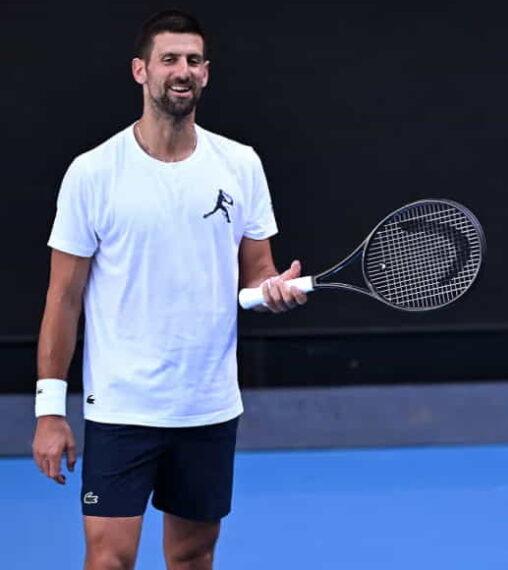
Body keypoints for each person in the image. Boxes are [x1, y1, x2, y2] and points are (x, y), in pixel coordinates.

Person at [31, 10, 307, 569]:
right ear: (141, 71)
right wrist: (49, 411)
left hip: (207, 404)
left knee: (193, 555)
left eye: (193, 60)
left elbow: (257, 271)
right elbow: (63, 298)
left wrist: (271, 288)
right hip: (121, 405)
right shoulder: (93, 172)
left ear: (206, 74)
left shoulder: (241, 164)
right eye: (169, 59)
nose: (182, 71)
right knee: (109, 558)